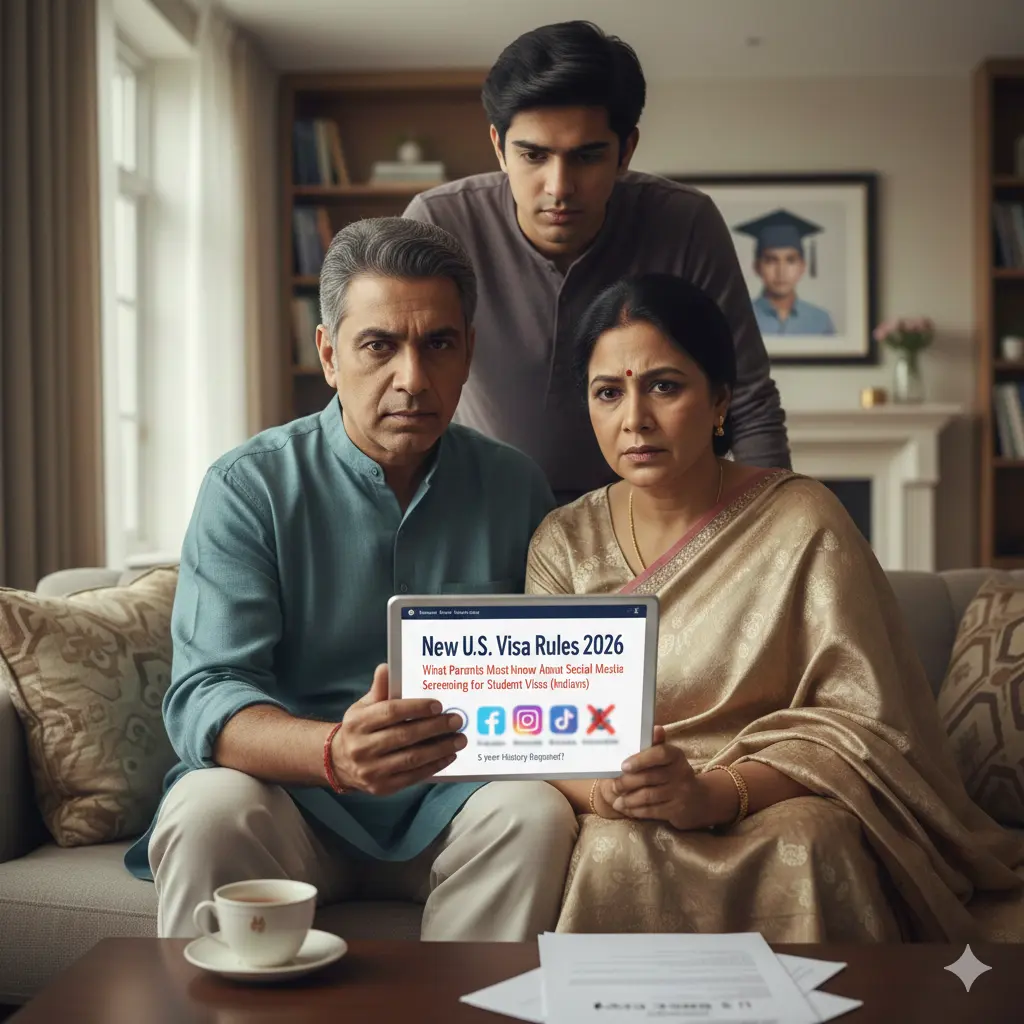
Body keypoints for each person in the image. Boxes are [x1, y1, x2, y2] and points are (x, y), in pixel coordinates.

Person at [526, 272, 1024, 940]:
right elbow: (542, 737)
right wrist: (609, 793)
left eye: (665, 386)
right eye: (608, 392)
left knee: (815, 838)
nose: (634, 418)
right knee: (615, 847)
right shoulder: (564, 541)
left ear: (721, 401)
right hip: (632, 805)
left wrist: (713, 793)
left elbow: (861, 723)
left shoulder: (802, 517)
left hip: (778, 793)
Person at [125, 217, 578, 940]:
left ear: (469, 355)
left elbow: (560, 673)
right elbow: (206, 693)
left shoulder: (516, 486)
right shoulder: (249, 486)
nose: (413, 378)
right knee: (206, 808)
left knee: (536, 811)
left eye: (439, 344)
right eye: (379, 346)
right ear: (330, 355)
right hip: (293, 801)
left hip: (454, 804)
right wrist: (334, 753)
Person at [403, 21, 790, 504]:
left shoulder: (686, 221)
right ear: (499, 148)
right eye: (534, 155)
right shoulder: (439, 221)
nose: (559, 186)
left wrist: (770, 538)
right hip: (482, 505)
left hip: (649, 511)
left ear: (626, 150)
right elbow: (401, 380)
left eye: (586, 157)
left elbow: (748, 399)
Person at [734, 209, 837, 336]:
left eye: (790, 260)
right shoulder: (738, 319)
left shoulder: (821, 321)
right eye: (771, 260)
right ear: (757, 267)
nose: (781, 271)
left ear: (802, 267)